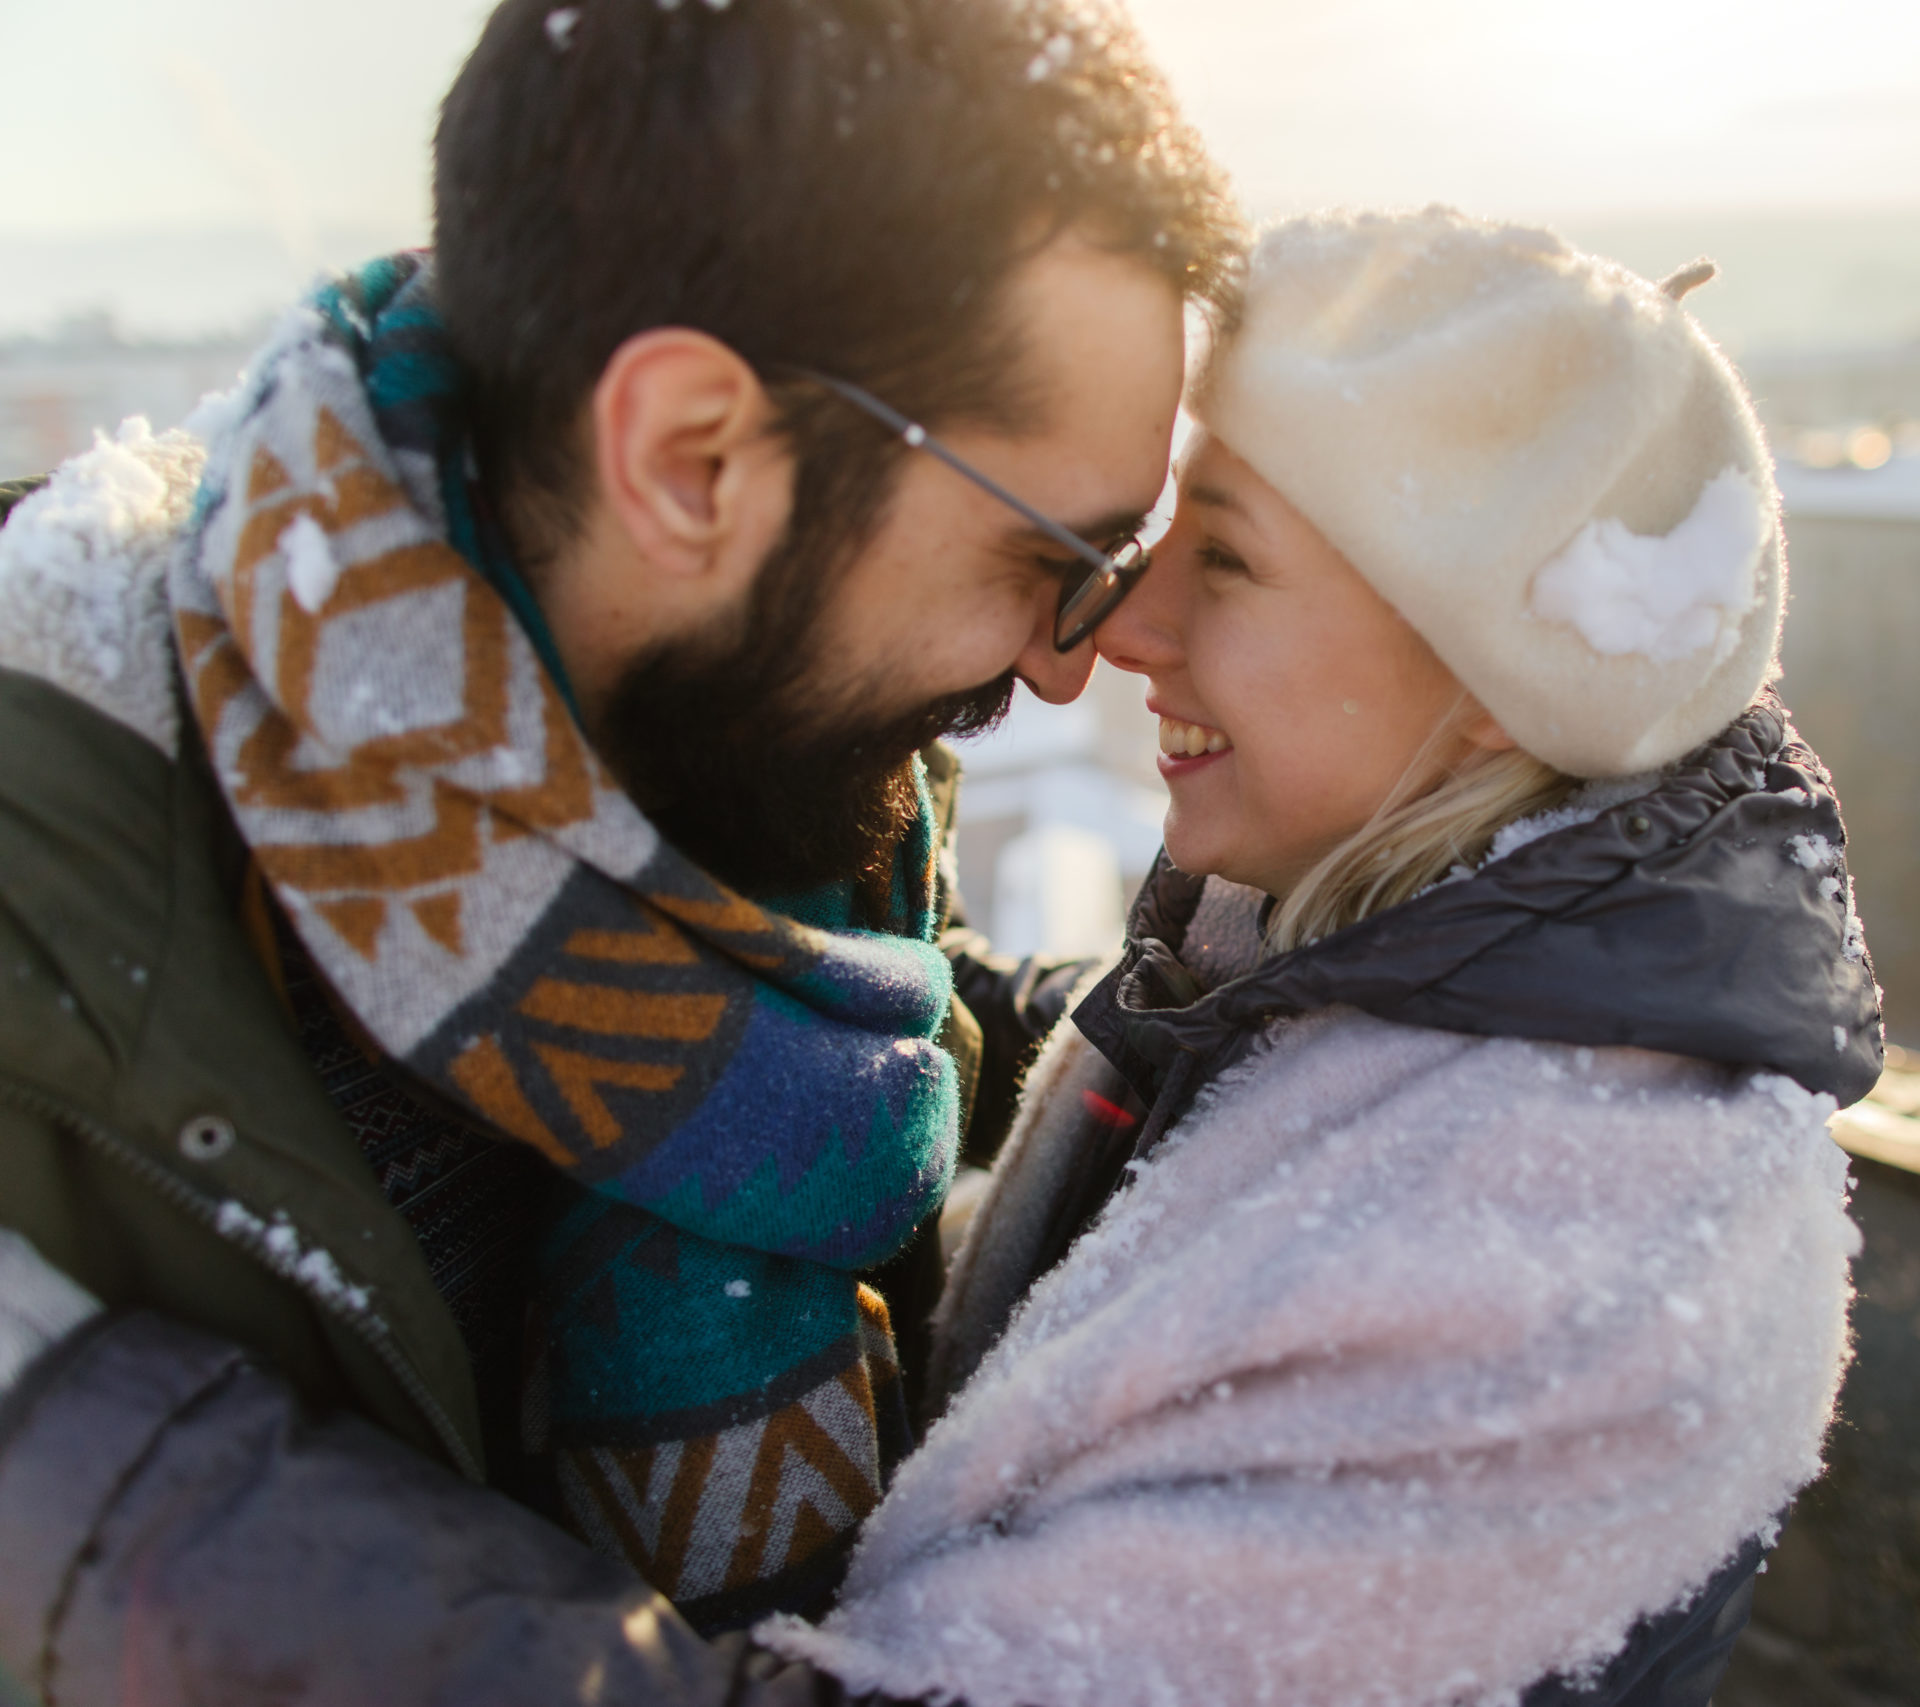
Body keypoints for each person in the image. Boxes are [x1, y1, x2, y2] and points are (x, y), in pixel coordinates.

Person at [0, 0, 1241, 1698]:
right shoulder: (45, 886)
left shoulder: (748, 750)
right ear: (688, 456)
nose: (1063, 659)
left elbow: (902, 1018)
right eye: (1054, 559)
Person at [764, 208, 1885, 1706]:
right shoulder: (1362, 941)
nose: (1122, 625)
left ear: (1496, 675)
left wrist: (344, 1559)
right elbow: (1183, 1113)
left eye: (1222, 555)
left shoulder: (1580, 1267)